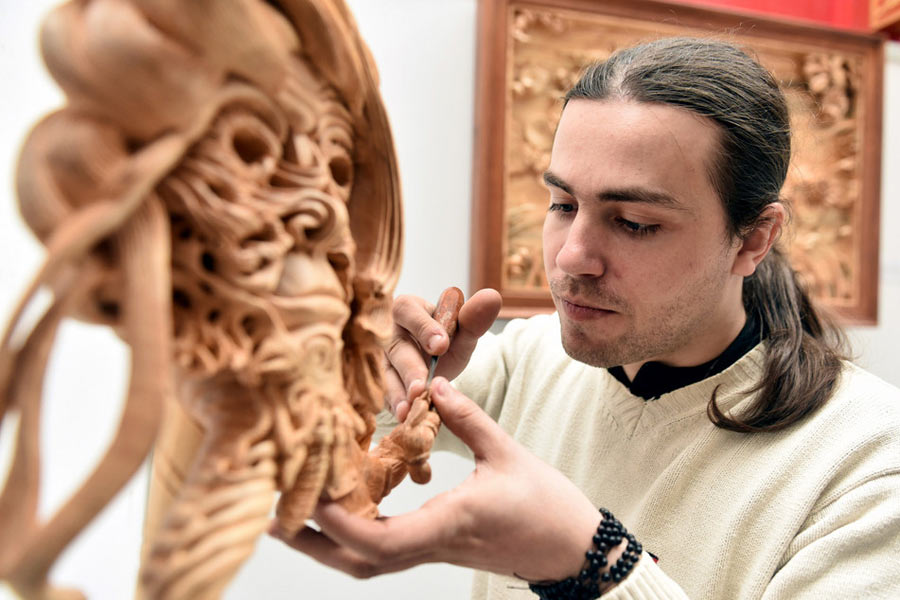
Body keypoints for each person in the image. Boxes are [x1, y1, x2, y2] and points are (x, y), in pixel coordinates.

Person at [271, 37, 900, 599]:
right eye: (563, 203)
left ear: (753, 239)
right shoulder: (529, 360)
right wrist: (363, 365)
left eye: (634, 223)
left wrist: (593, 565)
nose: (572, 258)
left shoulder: (866, 463)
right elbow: (301, 438)